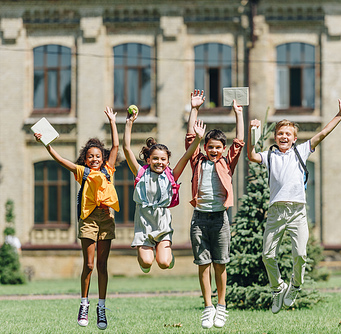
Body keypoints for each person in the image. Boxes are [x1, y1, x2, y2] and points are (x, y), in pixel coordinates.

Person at [248, 99, 341, 314]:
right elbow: (251, 155)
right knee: (267, 255)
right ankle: (278, 287)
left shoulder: (302, 151)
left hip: (297, 212)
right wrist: (253, 133)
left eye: (288, 134)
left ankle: (295, 285)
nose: (284, 137)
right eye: (280, 134)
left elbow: (323, 133)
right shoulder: (270, 156)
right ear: (275, 137)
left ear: (294, 138)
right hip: (276, 212)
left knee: (300, 254)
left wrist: (340, 115)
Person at [34, 107, 120, 330]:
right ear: (86, 158)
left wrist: (112, 121)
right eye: (90, 156)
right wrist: (46, 144)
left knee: (102, 265)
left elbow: (117, 146)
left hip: (106, 219)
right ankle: (84, 304)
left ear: (103, 159)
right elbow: (62, 160)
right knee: (89, 264)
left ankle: (101, 307)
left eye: (98, 156)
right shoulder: (83, 172)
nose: (94, 159)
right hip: (89, 220)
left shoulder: (109, 169)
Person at [185, 90, 244, 329]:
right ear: (206, 147)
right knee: (203, 264)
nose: (214, 150)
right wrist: (194, 109)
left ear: (223, 148)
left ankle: (221, 306)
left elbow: (239, 143)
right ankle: (208, 307)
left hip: (220, 219)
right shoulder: (197, 160)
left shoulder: (226, 162)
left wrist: (238, 114)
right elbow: (191, 139)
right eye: (210, 146)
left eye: (218, 147)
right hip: (199, 219)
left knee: (220, 264)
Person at [123, 108, 206, 273]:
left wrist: (198, 139)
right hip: (143, 226)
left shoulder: (171, 176)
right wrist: (129, 123)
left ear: (167, 162)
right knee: (146, 263)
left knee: (164, 263)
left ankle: (168, 256)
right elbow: (126, 148)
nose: (159, 162)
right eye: (155, 159)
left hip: (162, 226)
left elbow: (187, 156)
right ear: (148, 160)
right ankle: (144, 260)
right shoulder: (140, 173)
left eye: (163, 159)